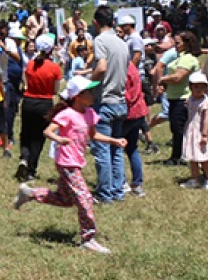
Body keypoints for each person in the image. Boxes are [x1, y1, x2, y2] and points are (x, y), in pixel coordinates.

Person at [13, 76, 127, 254]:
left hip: (77, 162)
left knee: (66, 200)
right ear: (78, 96)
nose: (93, 94)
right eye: (89, 92)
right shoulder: (66, 114)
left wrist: (113, 140)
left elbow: (93, 135)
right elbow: (47, 131)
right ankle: (88, 238)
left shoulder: (89, 113)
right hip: (66, 163)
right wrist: (59, 138)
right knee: (85, 198)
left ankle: (30, 193)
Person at [89, 5, 129, 204]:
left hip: (105, 101)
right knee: (116, 149)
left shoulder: (100, 40)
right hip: (121, 101)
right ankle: (117, 191)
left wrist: (89, 82)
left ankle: (104, 194)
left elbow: (102, 67)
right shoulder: (122, 43)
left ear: (96, 23)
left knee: (102, 150)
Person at [15, 35, 62, 182]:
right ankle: (31, 169)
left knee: (26, 133)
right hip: (45, 104)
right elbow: (55, 90)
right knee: (38, 138)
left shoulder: (30, 64)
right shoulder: (55, 68)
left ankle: (24, 157)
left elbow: (26, 81)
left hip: (28, 101)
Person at [159, 31, 202, 165]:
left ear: (187, 44)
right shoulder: (180, 57)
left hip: (183, 98)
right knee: (176, 128)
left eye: (178, 43)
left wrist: (163, 79)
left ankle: (178, 157)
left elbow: (178, 77)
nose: (175, 45)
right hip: (175, 97)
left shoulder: (187, 58)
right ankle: (179, 155)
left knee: (179, 128)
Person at [180, 72, 208, 189]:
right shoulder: (191, 99)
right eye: (196, 86)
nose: (199, 89)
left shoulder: (207, 103)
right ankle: (194, 179)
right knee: (193, 157)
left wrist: (205, 134)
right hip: (192, 131)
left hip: (201, 131)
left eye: (202, 87)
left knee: (203, 158)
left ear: (206, 88)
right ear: (190, 87)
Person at [123, 60, 147, 197]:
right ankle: (137, 184)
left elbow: (128, 95)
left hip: (128, 113)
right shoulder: (132, 66)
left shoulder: (123, 69)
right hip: (139, 112)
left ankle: (122, 182)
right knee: (132, 148)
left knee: (115, 148)